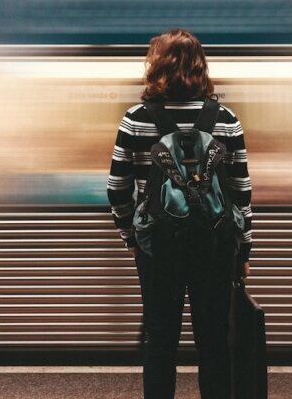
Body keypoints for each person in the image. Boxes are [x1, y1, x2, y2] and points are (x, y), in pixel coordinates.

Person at [107, 29, 252, 399]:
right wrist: (244, 251)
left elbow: (117, 189)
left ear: (155, 66)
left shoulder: (136, 119)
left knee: (160, 343)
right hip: (216, 249)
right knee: (214, 342)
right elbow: (241, 192)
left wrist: (131, 239)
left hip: (157, 250)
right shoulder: (226, 119)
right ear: (201, 67)